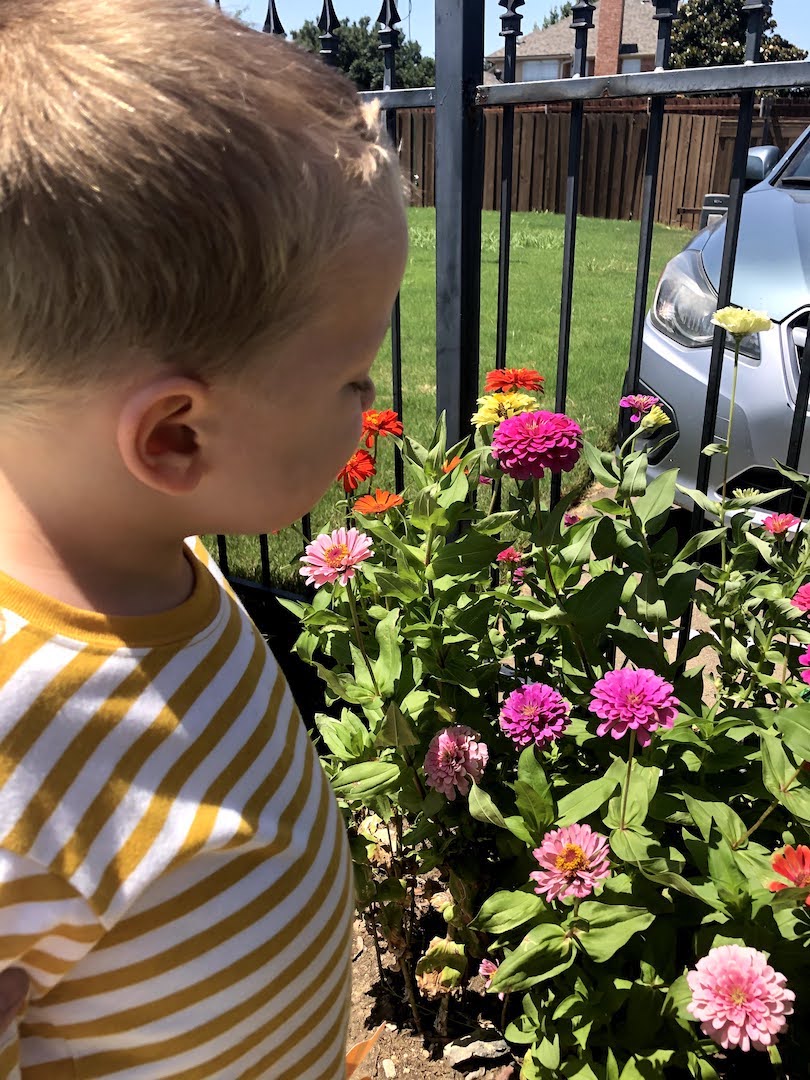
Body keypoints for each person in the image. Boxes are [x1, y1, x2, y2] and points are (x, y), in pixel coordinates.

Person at [0, 1, 407, 1077]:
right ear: (177, 436)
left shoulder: (141, 557)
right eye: (351, 379)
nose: (367, 406)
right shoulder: (18, 744)